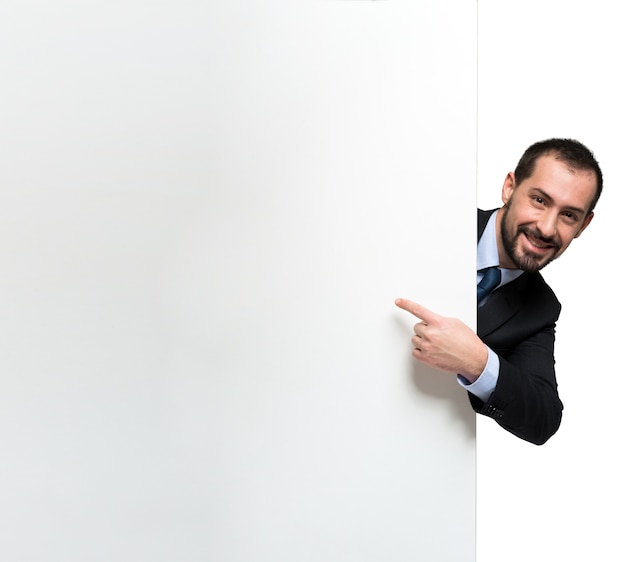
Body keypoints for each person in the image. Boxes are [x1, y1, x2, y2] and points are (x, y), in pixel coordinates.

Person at [395, 138, 603, 445]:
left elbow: (543, 417)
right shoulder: (437, 218)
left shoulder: (540, 308)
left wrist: (476, 361)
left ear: (583, 226)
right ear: (509, 188)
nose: (547, 228)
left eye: (569, 215)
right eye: (540, 200)